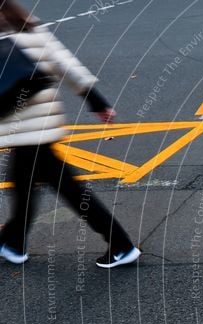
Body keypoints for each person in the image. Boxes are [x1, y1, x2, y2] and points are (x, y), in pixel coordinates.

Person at [0, 0, 140, 268]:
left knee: (69, 189)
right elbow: (66, 64)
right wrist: (96, 101)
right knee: (23, 185)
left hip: (23, 128)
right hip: (41, 126)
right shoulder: (29, 28)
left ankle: (121, 244)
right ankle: (13, 243)